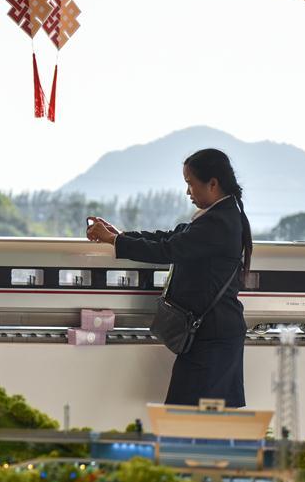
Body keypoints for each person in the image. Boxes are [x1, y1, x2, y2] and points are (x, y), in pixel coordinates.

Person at [86, 148, 253, 407]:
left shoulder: (218, 222)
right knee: (197, 415)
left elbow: (168, 249)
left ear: (212, 183)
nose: (188, 192)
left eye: (190, 184)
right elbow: (171, 237)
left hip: (213, 337)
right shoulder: (221, 215)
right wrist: (120, 236)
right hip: (212, 334)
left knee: (188, 416)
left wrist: (116, 241)